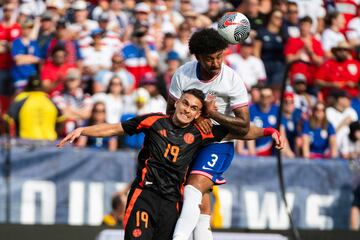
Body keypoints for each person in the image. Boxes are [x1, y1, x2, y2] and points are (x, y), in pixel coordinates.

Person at [57, 89, 282, 240]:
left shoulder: (201, 132)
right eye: (185, 103)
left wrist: (270, 131)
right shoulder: (154, 121)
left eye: (194, 108)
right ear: (176, 103)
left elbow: (240, 131)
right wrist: (82, 130)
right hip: (144, 195)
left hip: (172, 202)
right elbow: (115, 128)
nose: (187, 110)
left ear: (198, 114)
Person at [166, 28, 248, 240]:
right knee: (199, 203)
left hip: (219, 143)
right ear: (198, 57)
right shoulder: (183, 74)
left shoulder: (232, 80)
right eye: (210, 59)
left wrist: (213, 114)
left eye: (220, 56)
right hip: (190, 142)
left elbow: (244, 126)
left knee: (193, 189)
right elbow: (169, 112)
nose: (216, 63)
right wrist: (197, 117)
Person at [7, 75, 61, 141]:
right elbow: (61, 120)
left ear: (28, 86)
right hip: (50, 142)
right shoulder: (49, 100)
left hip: (26, 142)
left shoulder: (21, 98)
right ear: (41, 86)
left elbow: (7, 120)